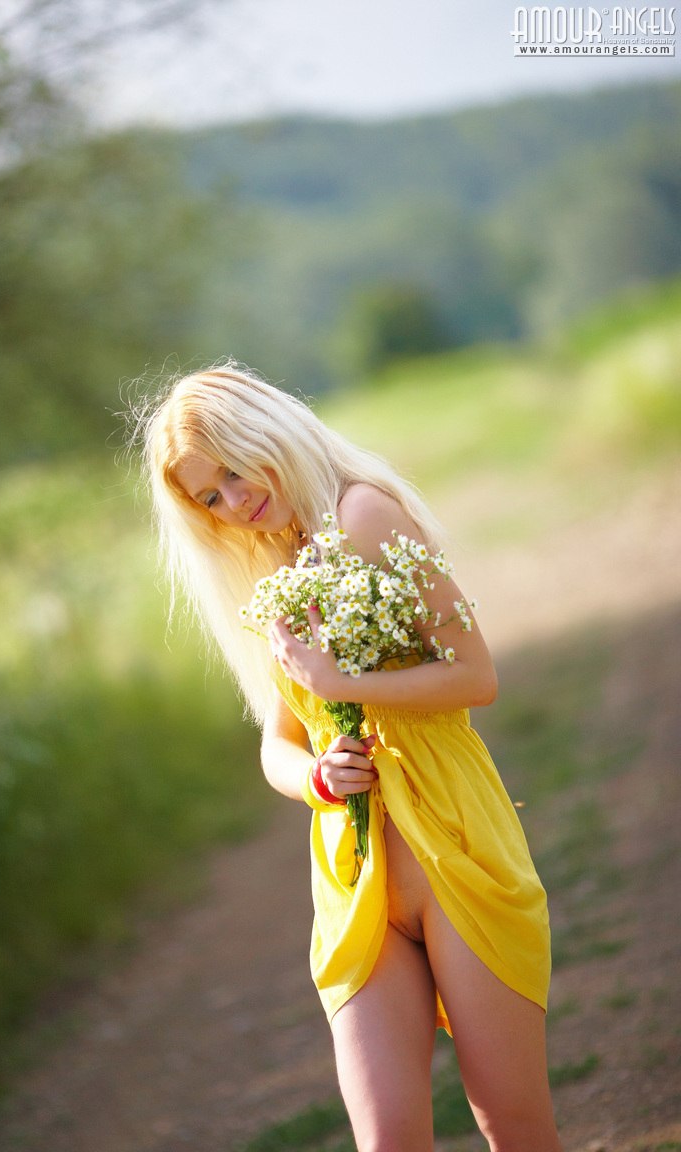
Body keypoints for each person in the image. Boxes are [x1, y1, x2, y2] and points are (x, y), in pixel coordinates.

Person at [137, 361, 562, 1152]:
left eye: (233, 470)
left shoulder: (365, 515)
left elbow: (476, 675)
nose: (233, 501)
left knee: (513, 1124)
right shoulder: (264, 565)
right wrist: (317, 780)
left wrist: (344, 683)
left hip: (453, 851)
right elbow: (278, 741)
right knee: (387, 1139)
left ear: (264, 430)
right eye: (209, 497)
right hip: (352, 877)